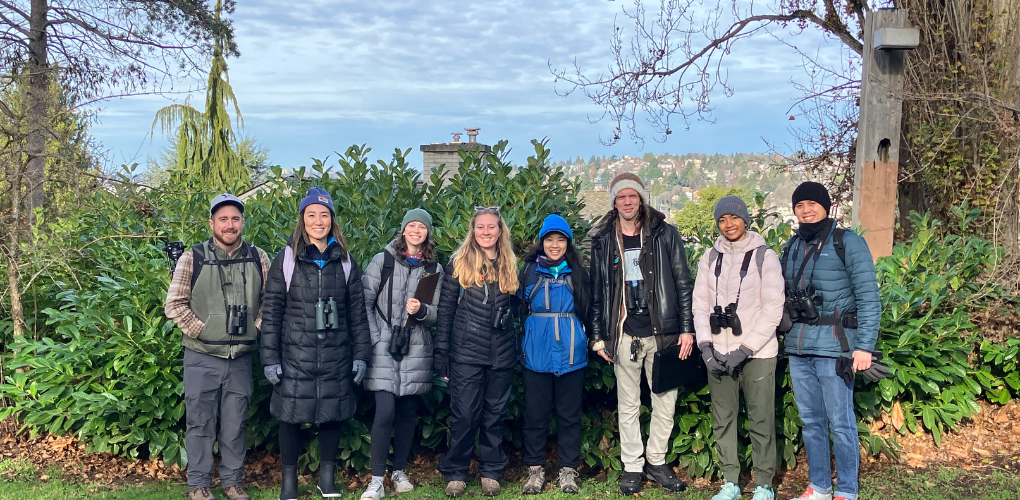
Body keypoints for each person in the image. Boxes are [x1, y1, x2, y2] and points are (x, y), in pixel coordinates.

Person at [260, 188, 371, 500]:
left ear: (332, 220)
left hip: (336, 354)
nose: (318, 221)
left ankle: (326, 479)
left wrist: (361, 355)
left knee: (332, 414)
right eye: (311, 215)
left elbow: (358, 314)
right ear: (302, 219)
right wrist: (270, 358)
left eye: (324, 215)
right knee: (289, 416)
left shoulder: (345, 261)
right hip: (294, 354)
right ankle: (289, 483)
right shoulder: (286, 259)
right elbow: (271, 312)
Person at [588, 173, 695, 495]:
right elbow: (597, 292)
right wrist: (598, 336)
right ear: (614, 201)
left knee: (665, 402)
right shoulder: (603, 239)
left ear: (641, 198)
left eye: (632, 196)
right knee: (628, 405)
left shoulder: (665, 233)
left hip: (663, 333)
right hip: (624, 335)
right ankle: (632, 466)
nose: (627, 202)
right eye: (621, 197)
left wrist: (686, 329)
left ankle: (657, 462)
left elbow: (683, 282)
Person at [165, 193, 270, 500]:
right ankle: (198, 485)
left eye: (235, 218)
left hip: (240, 359)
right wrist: (202, 330)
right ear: (211, 223)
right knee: (200, 424)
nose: (229, 224)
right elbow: (174, 304)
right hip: (201, 357)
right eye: (223, 219)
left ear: (243, 222)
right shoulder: (193, 257)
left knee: (236, 425)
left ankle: (232, 482)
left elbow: (270, 302)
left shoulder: (258, 257)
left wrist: (255, 328)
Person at [782, 182, 880, 500]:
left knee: (841, 422)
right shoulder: (792, 246)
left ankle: (847, 490)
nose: (806, 210)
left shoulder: (847, 242)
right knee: (811, 422)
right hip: (799, 346)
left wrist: (864, 346)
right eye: (800, 205)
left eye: (812, 203)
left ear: (826, 206)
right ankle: (820, 486)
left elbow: (869, 297)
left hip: (835, 346)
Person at [692, 196, 784, 500]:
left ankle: (764, 485)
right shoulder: (709, 258)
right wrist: (705, 346)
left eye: (734, 217)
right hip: (718, 351)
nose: (728, 225)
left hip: (758, 353)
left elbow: (773, 308)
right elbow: (700, 304)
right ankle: (730, 481)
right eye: (722, 220)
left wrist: (745, 349)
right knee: (723, 419)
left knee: (761, 420)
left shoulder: (764, 257)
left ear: (745, 219)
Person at [359, 209, 444, 500]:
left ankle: (399, 471)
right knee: (385, 411)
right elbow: (363, 302)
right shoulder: (382, 261)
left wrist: (421, 311)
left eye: (422, 226)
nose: (416, 230)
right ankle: (376, 480)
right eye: (412, 225)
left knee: (407, 414)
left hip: (416, 347)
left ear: (428, 233)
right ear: (404, 229)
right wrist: (375, 338)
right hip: (383, 346)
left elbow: (437, 314)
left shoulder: (434, 269)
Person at [434, 206, 519, 497]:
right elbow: (445, 310)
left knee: (495, 415)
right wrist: (442, 353)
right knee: (464, 415)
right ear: (472, 230)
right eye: (480, 227)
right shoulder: (458, 263)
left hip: (501, 353)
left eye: (491, 226)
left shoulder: (509, 263)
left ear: (500, 230)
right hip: (466, 352)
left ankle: (491, 472)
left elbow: (516, 309)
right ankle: (455, 472)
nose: (486, 232)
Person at [518, 214, 592, 495]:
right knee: (535, 415)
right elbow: (516, 308)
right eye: (550, 239)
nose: (555, 245)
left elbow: (589, 310)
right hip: (536, 352)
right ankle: (535, 470)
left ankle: (568, 470)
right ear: (542, 242)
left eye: (561, 239)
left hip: (572, 353)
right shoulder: (529, 271)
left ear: (568, 243)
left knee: (569, 415)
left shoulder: (578, 273)